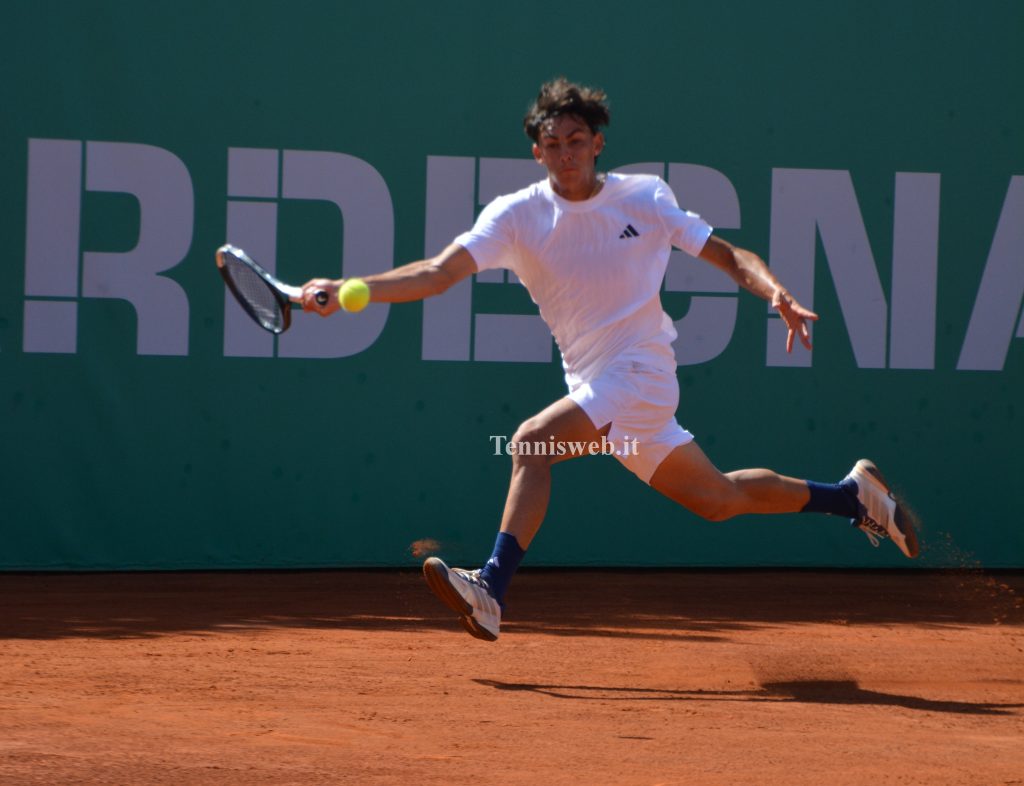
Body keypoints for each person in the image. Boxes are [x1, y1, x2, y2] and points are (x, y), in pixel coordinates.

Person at [301, 78, 919, 642]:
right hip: (599, 385)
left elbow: (729, 256)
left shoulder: (643, 198)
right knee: (718, 498)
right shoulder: (515, 217)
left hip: (643, 373)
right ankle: (853, 497)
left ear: (597, 143)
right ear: (536, 153)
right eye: (552, 143)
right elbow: (436, 275)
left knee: (530, 442)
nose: (566, 153)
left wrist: (776, 292)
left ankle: (490, 587)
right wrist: (356, 288)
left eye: (576, 140)